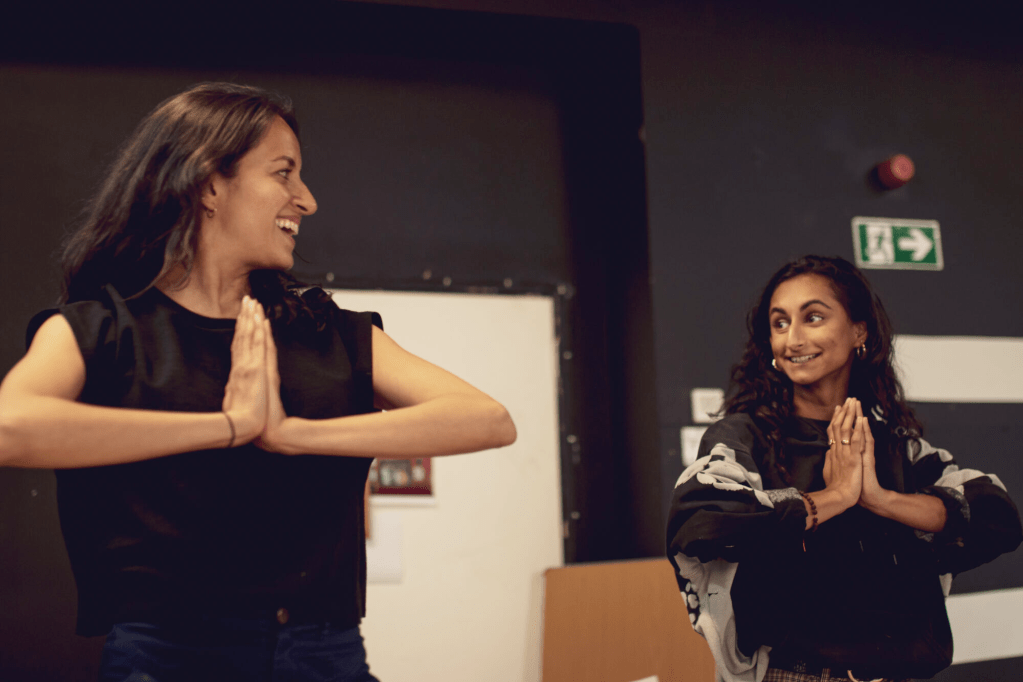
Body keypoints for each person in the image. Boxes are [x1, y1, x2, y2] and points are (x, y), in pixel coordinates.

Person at [0, 82, 517, 682]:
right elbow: (11, 428)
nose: (307, 200)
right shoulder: (104, 329)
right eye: (283, 172)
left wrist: (289, 434)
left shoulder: (326, 330)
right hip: (168, 658)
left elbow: (487, 419)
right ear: (208, 184)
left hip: (325, 655)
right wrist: (228, 426)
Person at [665, 255, 1021, 682]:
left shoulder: (896, 445)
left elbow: (995, 516)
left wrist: (879, 499)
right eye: (780, 323)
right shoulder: (746, 436)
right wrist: (833, 498)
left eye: (813, 317)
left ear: (859, 331)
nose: (793, 339)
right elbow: (704, 522)